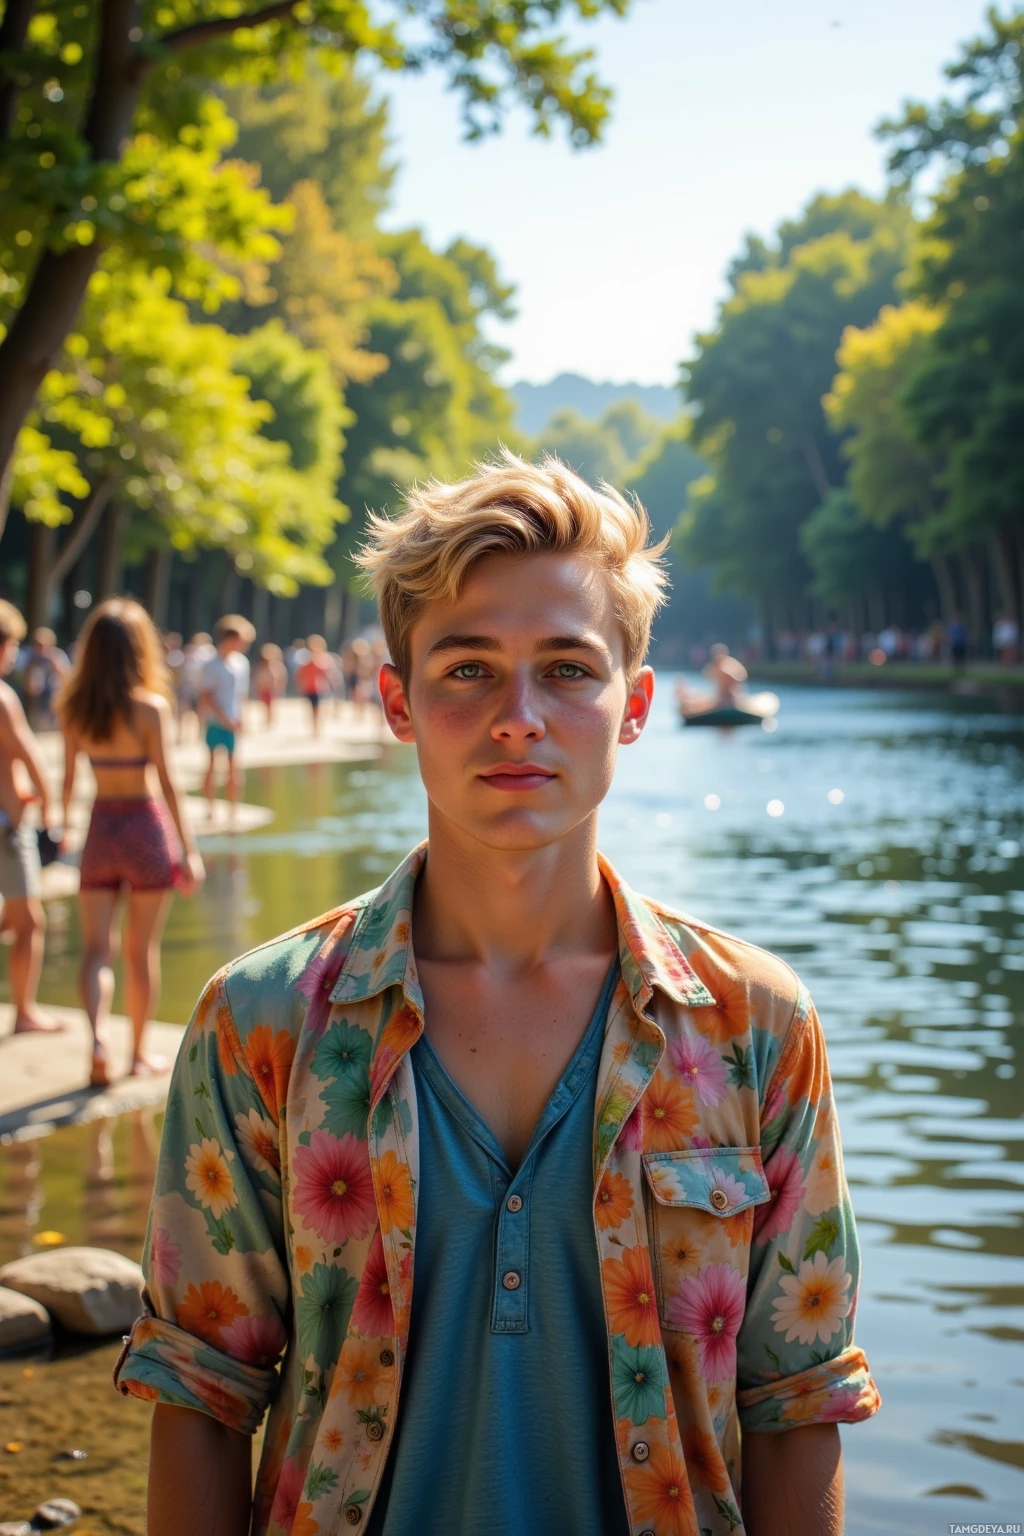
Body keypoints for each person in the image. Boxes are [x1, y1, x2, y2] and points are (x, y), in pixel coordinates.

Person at [117, 453, 879, 1536]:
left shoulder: (753, 1023)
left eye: (567, 669)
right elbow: (200, 1392)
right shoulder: (264, 1021)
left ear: (634, 706)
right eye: (468, 669)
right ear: (396, 699)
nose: (517, 716)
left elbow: (797, 1401)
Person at [58, 598, 205, 1086]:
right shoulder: (149, 708)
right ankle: (138, 1053)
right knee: (141, 951)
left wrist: (61, 827)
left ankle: (98, 1040)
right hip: (144, 827)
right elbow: (167, 783)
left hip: (100, 825)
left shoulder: (74, 708)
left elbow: (67, 779)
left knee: (97, 950)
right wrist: (189, 849)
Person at [0, 600, 59, 1034]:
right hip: (6, 827)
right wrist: (49, 805)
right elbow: (30, 754)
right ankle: (24, 1012)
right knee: (30, 921)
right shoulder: (2, 697)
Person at [200, 616, 254, 818]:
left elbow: (241, 695)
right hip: (216, 721)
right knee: (212, 764)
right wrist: (224, 718)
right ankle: (210, 808)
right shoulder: (211, 664)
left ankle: (233, 809)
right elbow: (206, 695)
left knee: (234, 766)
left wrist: (242, 717)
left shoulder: (241, 663)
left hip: (233, 720)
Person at [21, 626, 69, 730]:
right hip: (36, 698)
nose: (41, 649)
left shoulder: (57, 656)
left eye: (44, 645)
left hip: (54, 697)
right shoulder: (32, 658)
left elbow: (67, 678)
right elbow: (28, 685)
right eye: (39, 645)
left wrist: (56, 667)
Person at [296, 634, 334, 737]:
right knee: (312, 709)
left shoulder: (325, 658)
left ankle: (318, 728)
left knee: (320, 709)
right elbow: (301, 673)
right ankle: (314, 728)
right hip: (310, 688)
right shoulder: (305, 658)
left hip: (321, 688)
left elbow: (328, 673)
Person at [252, 643, 287, 729]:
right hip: (264, 689)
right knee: (265, 705)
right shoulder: (261, 667)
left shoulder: (277, 666)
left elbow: (281, 678)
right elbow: (257, 678)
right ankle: (267, 720)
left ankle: (270, 720)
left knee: (271, 705)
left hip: (272, 690)